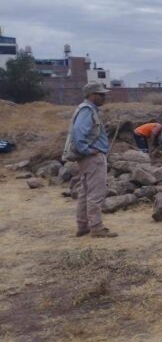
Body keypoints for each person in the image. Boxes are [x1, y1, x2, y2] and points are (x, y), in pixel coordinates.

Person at [62, 83, 118, 238]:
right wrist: (87, 150)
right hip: (93, 158)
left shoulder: (84, 109)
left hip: (88, 158)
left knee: (85, 192)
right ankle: (97, 228)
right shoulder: (88, 110)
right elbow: (79, 133)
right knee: (96, 193)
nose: (104, 97)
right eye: (101, 94)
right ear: (92, 95)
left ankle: (83, 225)